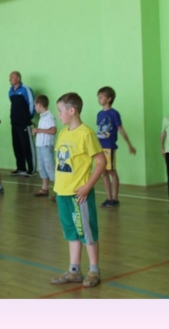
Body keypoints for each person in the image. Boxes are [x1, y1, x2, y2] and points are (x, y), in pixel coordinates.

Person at [50, 93, 106, 288]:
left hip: (79, 195)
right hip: (62, 193)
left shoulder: (86, 134)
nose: (58, 115)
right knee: (71, 232)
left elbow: (101, 162)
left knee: (86, 233)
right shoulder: (63, 133)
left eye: (60, 111)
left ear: (72, 110)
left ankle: (94, 270)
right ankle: (74, 270)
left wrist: (87, 186)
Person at [95, 86, 137, 207]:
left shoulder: (114, 113)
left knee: (111, 171)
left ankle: (115, 198)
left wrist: (129, 144)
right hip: (100, 147)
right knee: (104, 172)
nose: (99, 99)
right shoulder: (99, 114)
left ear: (109, 99)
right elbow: (99, 131)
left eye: (101, 97)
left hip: (109, 146)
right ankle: (108, 198)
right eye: (98, 97)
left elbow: (120, 129)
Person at [8, 71, 36, 176]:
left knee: (27, 146)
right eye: (10, 77)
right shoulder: (10, 91)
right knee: (17, 146)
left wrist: (28, 118)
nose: (10, 79)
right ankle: (21, 168)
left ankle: (32, 170)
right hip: (14, 123)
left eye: (12, 77)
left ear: (18, 78)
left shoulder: (26, 89)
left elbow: (31, 104)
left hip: (24, 123)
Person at [31, 95, 57, 201]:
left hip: (46, 146)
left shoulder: (49, 116)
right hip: (40, 146)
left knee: (50, 167)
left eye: (35, 105)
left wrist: (38, 130)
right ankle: (44, 188)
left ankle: (58, 191)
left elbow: (53, 130)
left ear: (40, 105)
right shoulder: (42, 116)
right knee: (42, 167)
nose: (35, 107)